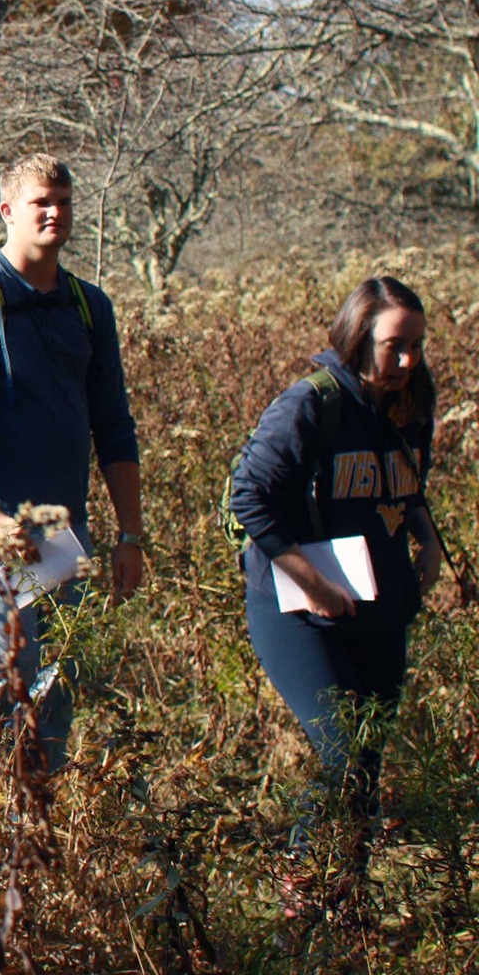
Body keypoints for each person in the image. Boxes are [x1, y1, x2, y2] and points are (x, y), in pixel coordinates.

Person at [0, 154, 144, 771]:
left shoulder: (88, 305)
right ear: (8, 211)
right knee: (1, 666)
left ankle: (32, 815)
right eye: (42, 201)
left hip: (61, 528)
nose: (55, 212)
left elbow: (114, 425)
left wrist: (130, 534)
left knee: (59, 674)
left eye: (64, 201)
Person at [227, 278, 444, 883]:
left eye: (417, 346)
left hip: (378, 610)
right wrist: (312, 583)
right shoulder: (310, 404)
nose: (407, 360)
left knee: (367, 760)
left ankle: (346, 901)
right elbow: (250, 499)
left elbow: (408, 486)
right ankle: (303, 892)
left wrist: (425, 539)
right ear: (357, 336)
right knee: (342, 751)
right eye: (394, 345)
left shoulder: (410, 405)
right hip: (299, 614)